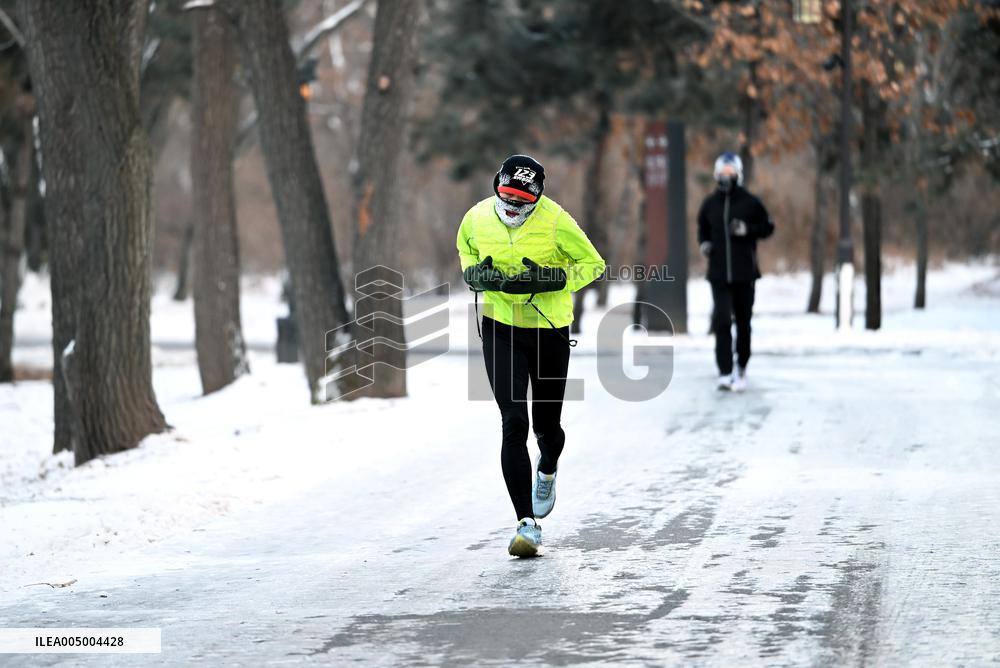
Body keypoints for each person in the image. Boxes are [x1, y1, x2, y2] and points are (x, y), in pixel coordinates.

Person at [457, 154, 605, 557]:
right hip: (500, 328)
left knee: (547, 427)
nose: (513, 208)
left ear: (537, 199)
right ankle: (526, 523)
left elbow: (593, 265)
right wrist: (474, 274)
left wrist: (555, 278)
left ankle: (548, 468)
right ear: (496, 187)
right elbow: (466, 251)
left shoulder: (557, 220)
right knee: (513, 422)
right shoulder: (475, 218)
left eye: (522, 203)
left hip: (549, 331)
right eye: (507, 198)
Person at [697, 152, 775, 392]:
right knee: (722, 321)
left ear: (738, 174)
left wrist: (747, 229)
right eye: (723, 172)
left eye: (731, 172)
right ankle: (724, 371)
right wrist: (705, 244)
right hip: (719, 274)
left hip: (745, 274)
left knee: (743, 322)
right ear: (716, 174)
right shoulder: (710, 203)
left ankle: (741, 365)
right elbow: (702, 228)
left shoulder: (750, 202)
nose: (727, 176)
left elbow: (767, 227)